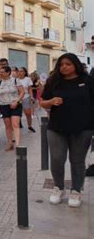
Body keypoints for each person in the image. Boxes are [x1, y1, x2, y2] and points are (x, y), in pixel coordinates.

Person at [40, 53, 94, 207]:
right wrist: (51, 101)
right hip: (57, 127)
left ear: (75, 65)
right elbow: (43, 102)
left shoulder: (88, 81)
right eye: (61, 64)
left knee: (77, 161)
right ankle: (58, 187)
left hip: (83, 128)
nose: (64, 67)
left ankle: (76, 191)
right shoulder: (53, 82)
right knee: (57, 159)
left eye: (68, 64)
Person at [0, 66, 24, 151]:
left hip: (15, 104)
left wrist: (17, 102)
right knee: (8, 126)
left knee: (15, 124)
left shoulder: (15, 80)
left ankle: (18, 145)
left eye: (2, 72)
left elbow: (22, 92)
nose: (0, 73)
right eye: (0, 71)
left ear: (8, 73)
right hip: (3, 105)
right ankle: (10, 143)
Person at [18, 67, 36, 132]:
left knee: (28, 113)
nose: (20, 72)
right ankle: (17, 126)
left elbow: (30, 89)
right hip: (17, 98)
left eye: (21, 71)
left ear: (25, 72)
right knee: (17, 113)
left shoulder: (28, 79)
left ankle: (29, 126)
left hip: (26, 97)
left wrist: (31, 97)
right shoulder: (15, 79)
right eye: (19, 71)